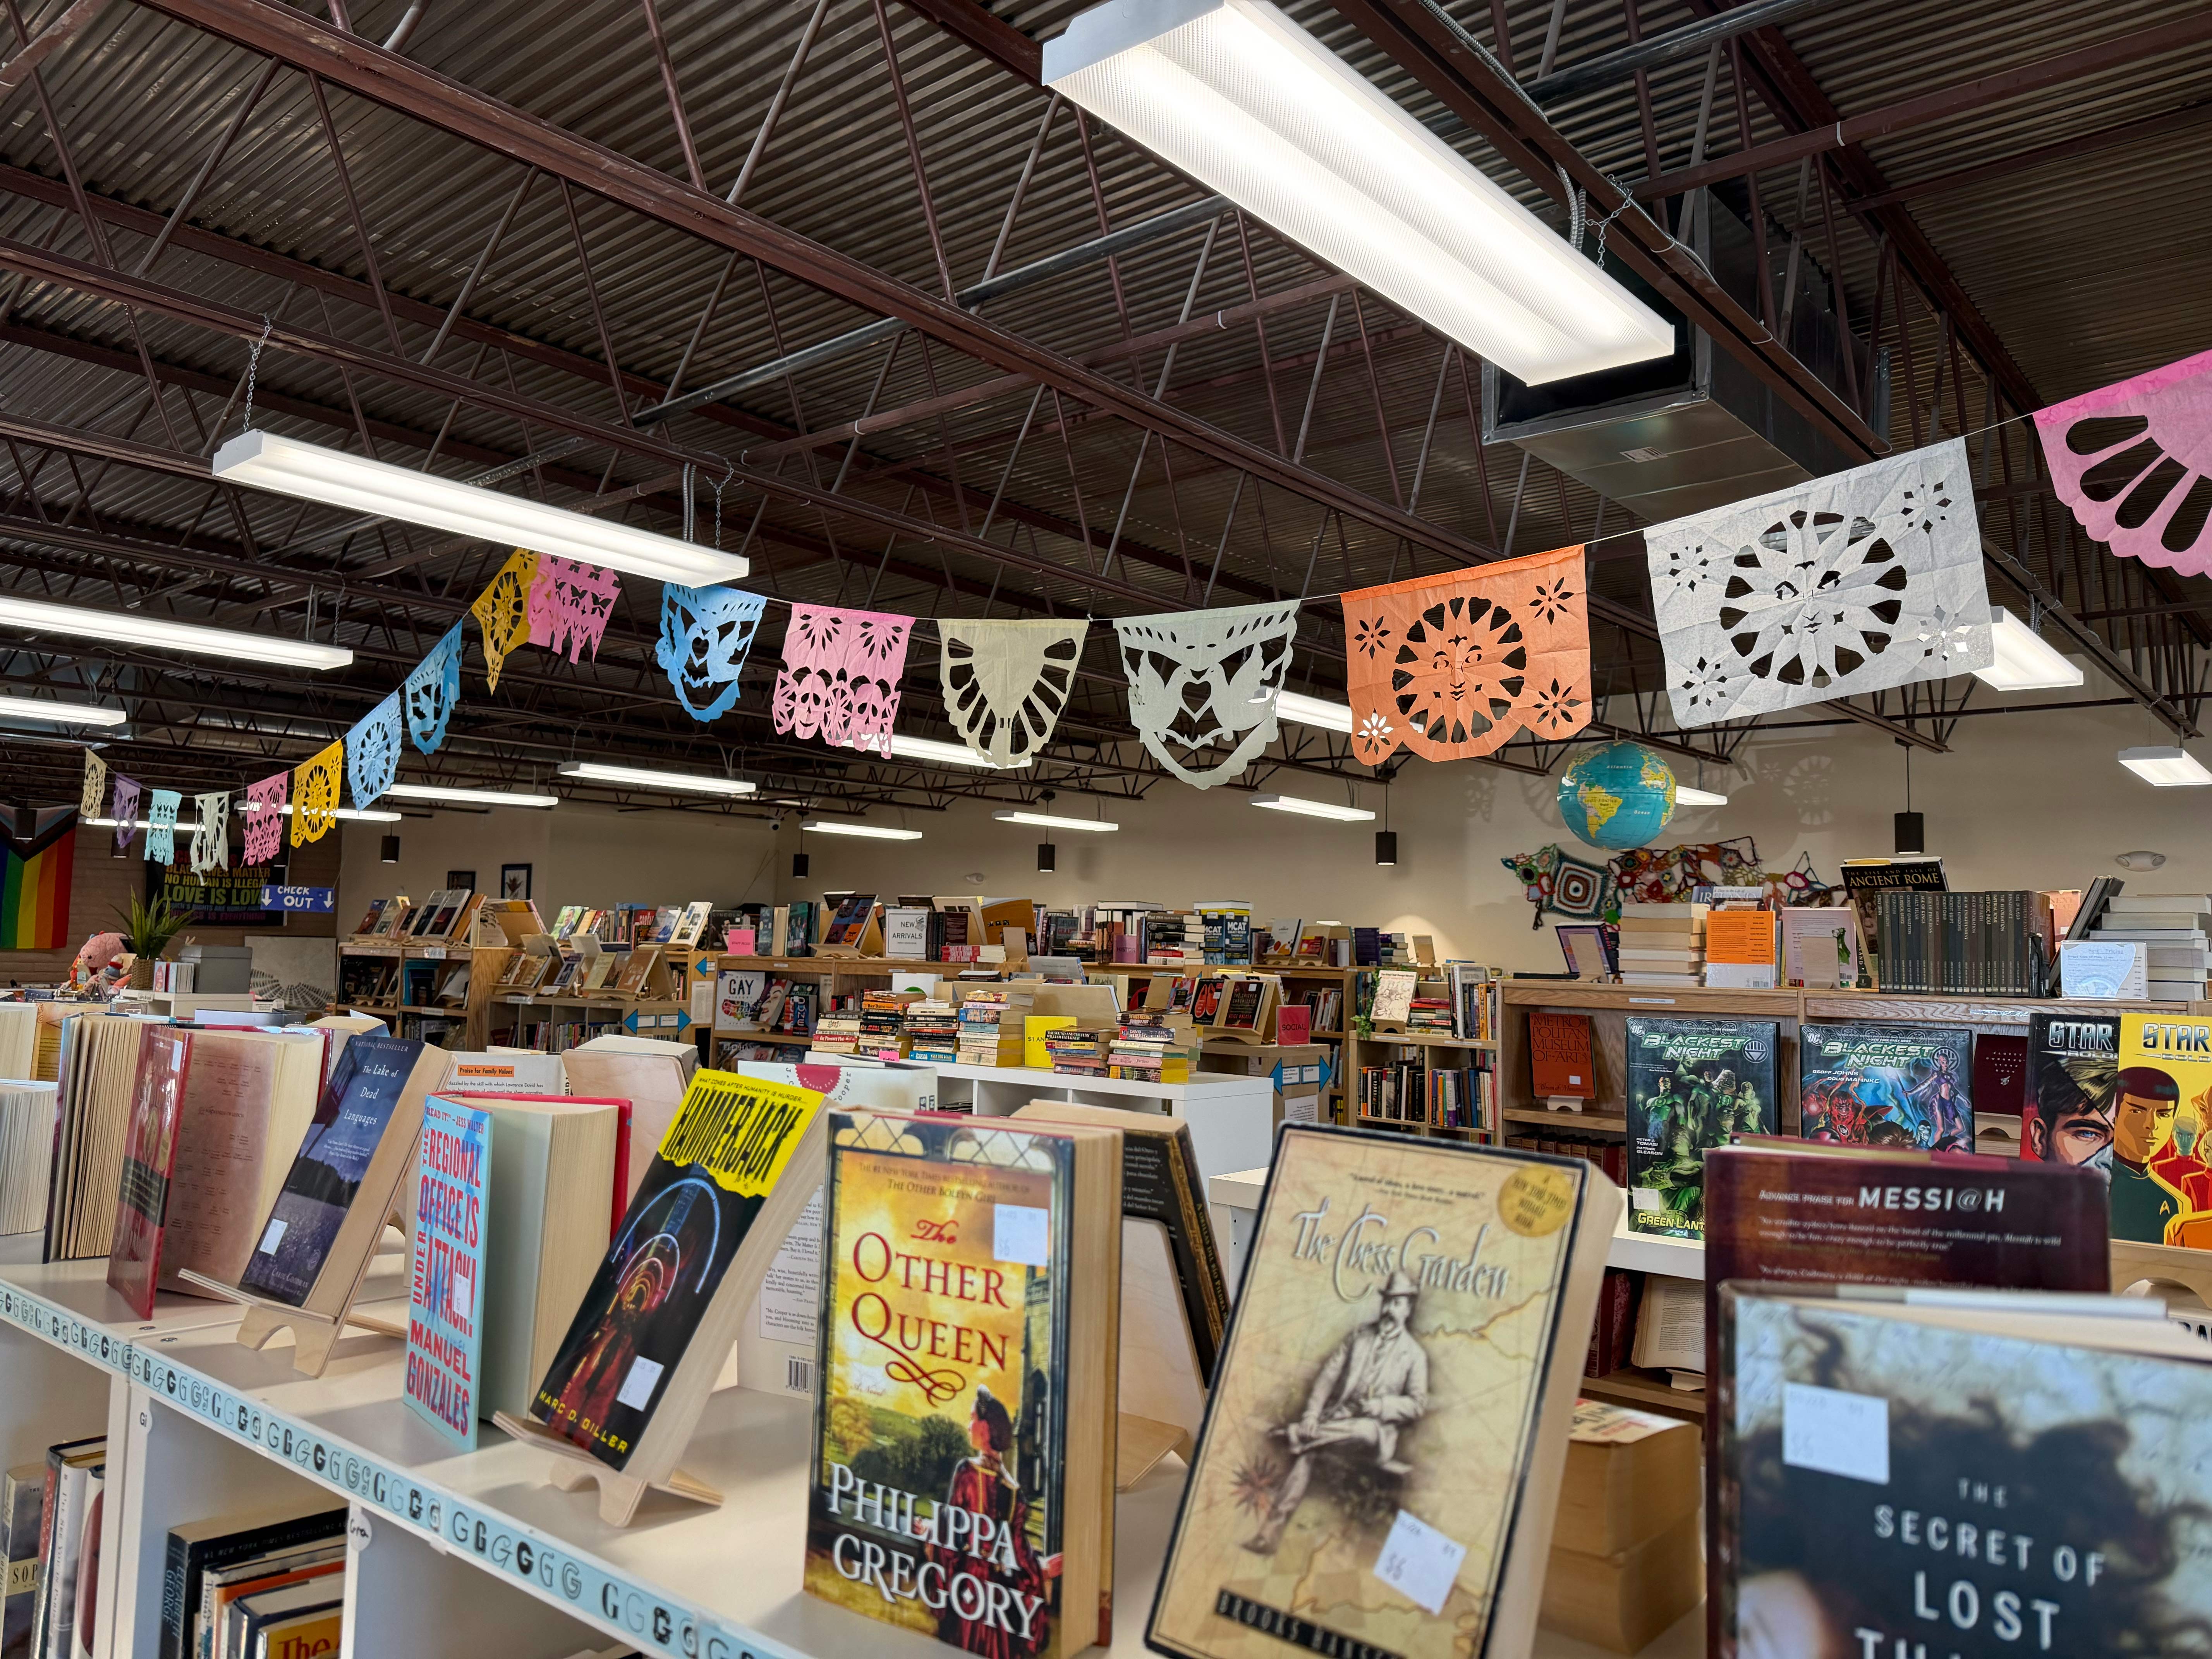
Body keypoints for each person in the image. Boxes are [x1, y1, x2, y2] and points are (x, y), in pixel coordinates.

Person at [1245, 1271, 1430, 1554]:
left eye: (1398, 1303)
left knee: (1363, 1429)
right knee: (1309, 1453)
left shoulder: (1414, 1355)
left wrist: (1381, 1407)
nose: (1390, 1309)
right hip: (1336, 1424)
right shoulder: (1360, 1336)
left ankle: (1293, 1434)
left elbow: (1417, 1404)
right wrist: (1310, 1416)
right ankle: (1268, 1535)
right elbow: (1327, 1377)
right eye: (1388, 1302)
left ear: (1408, 1309)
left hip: (1373, 1437)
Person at [929, 1387, 1055, 1659]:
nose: (969, 1425)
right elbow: (1022, 1558)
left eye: (973, 1418)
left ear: (985, 1429)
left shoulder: (966, 1473)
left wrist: (941, 1592)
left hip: (969, 1591)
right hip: (998, 1596)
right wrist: (1040, 1574)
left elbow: (948, 1542)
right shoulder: (1015, 1491)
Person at [2109, 1066, 2193, 1245]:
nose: (2152, 1125)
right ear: (2113, 1116)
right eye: (2137, 1111)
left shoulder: (2176, 1202)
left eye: (2163, 1114)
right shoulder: (2089, 1188)